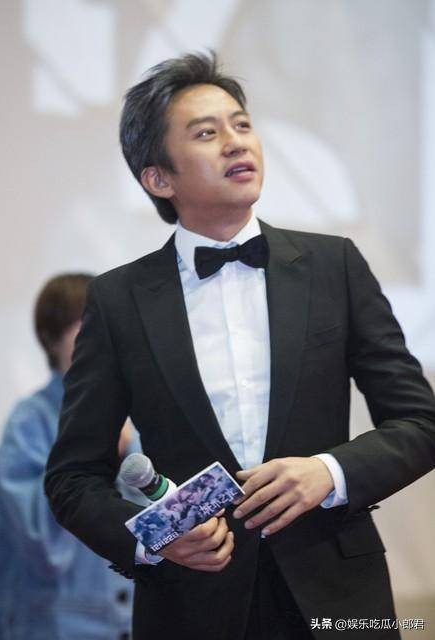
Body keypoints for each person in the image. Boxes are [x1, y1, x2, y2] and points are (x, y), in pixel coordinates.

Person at [44, 53, 435, 640]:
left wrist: (329, 472)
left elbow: (420, 422)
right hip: (191, 605)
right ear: (159, 179)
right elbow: (73, 477)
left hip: (339, 595)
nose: (236, 142)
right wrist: (156, 538)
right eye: (206, 133)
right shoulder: (119, 299)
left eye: (242, 124)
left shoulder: (334, 266)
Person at [0, 274, 142, 640]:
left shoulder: (134, 413)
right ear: (51, 339)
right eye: (84, 331)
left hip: (132, 618)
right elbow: (37, 539)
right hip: (56, 621)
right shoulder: (31, 420)